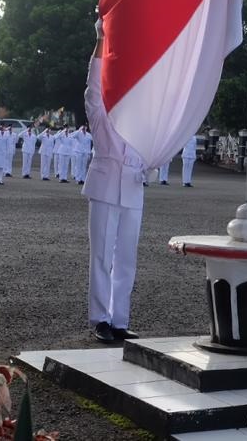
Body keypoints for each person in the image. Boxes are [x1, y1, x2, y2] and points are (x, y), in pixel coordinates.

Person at [84, 18, 146, 343]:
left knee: (127, 258)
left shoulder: (141, 123)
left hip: (134, 189)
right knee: (102, 255)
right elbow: (93, 87)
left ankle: (120, 320)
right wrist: (100, 41)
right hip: (106, 187)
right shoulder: (99, 115)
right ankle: (100, 319)